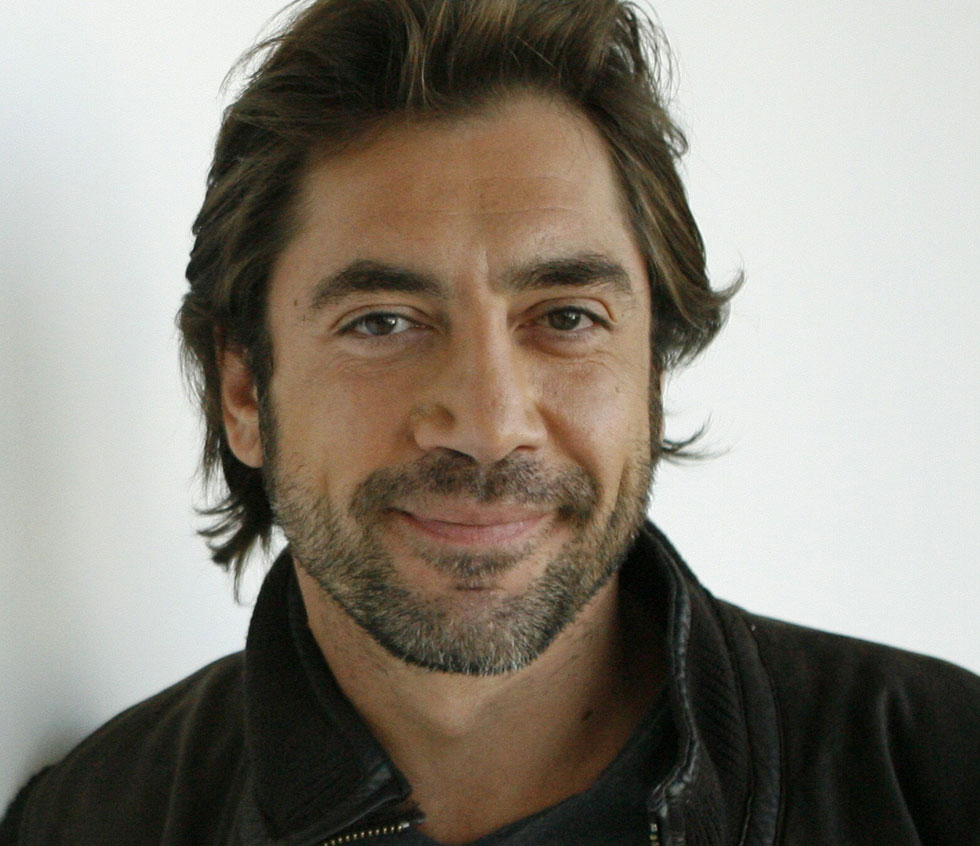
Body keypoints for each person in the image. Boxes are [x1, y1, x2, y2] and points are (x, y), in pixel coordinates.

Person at [3, 0, 978, 843]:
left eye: (566, 318)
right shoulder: (94, 823)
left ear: (649, 369)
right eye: (381, 322)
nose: (489, 424)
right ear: (245, 394)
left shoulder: (939, 778)